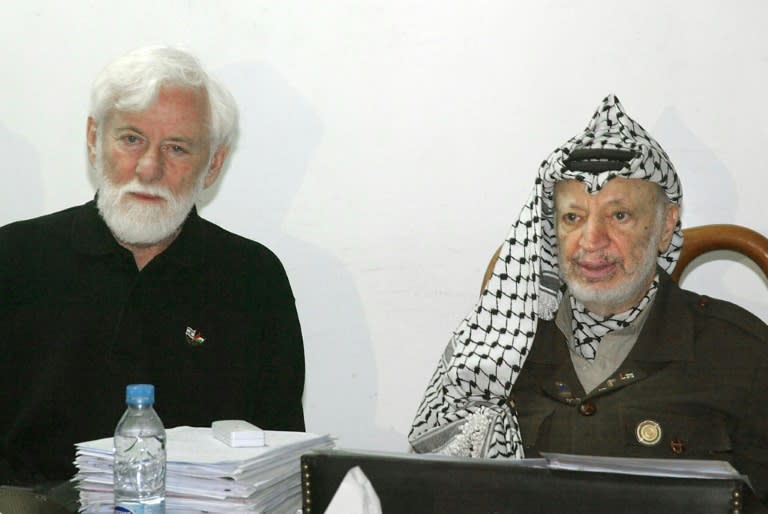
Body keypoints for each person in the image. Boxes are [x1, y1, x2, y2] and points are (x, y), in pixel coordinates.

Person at [409, 95, 768, 505]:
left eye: (619, 216)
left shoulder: (741, 352)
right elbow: (431, 493)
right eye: (573, 218)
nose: (591, 242)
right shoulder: (495, 353)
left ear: (666, 226)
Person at [0, 46, 306, 491]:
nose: (148, 167)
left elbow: (279, 461)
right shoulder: (14, 258)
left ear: (213, 164)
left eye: (177, 148)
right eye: (130, 139)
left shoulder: (252, 278)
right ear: (93, 139)